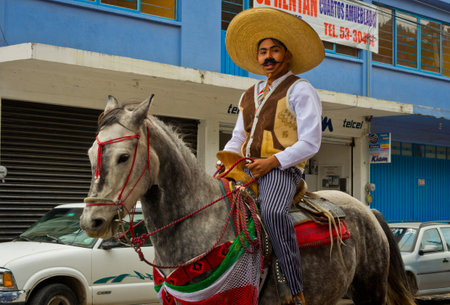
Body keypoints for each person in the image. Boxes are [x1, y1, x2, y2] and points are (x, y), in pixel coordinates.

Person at [222, 7, 325, 305]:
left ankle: (293, 289)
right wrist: (225, 160)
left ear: (287, 55)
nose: (268, 57)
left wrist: (272, 162)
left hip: (282, 170)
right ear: (257, 58)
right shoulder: (249, 93)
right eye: (263, 51)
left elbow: (311, 142)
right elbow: (237, 137)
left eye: (275, 51)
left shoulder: (301, 90)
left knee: (273, 212)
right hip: (246, 168)